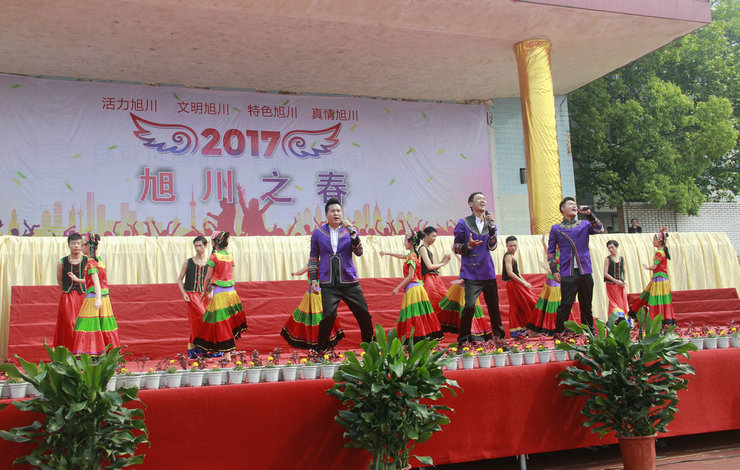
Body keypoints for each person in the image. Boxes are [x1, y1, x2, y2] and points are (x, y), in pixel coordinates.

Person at [309, 198, 373, 350]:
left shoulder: (350, 231)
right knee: (328, 316)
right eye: (332, 211)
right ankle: (322, 349)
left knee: (363, 314)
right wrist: (313, 279)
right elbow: (313, 257)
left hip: (350, 281)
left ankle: (371, 346)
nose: (336, 213)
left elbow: (359, 252)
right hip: (328, 283)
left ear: (342, 213)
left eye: (338, 211)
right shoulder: (318, 233)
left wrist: (353, 233)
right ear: (326, 214)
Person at [547, 197, 604, 334]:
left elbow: (600, 229)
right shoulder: (556, 229)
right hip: (568, 272)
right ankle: (560, 332)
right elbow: (551, 253)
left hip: (585, 270)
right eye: (570, 204)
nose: (574, 206)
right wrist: (554, 270)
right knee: (566, 304)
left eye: (575, 204)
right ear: (563, 209)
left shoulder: (584, 224)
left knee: (586, 304)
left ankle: (589, 332)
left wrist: (589, 214)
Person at [454, 192, 504, 343]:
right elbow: (456, 247)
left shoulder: (490, 223)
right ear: (471, 204)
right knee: (469, 307)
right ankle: (463, 340)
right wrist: (467, 246)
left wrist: (492, 230)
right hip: (471, 272)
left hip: (487, 271)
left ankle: (499, 339)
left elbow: (492, 247)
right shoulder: (463, 222)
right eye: (479, 199)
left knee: (494, 308)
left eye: (484, 198)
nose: (483, 201)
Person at [192, 231, 248, 358]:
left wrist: (204, 291)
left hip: (220, 293)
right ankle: (229, 352)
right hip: (232, 293)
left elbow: (207, 277)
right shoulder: (229, 256)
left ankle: (227, 355)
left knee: (222, 323)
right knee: (228, 321)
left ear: (214, 243)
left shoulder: (214, 257)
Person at [381, 231, 443, 342]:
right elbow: (401, 256)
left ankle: (416, 338)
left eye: (405, 241)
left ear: (410, 243)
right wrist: (387, 253)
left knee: (414, 314)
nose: (404, 243)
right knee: (419, 314)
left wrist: (397, 287)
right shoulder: (414, 254)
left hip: (413, 288)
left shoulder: (412, 257)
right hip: (417, 288)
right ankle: (421, 337)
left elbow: (410, 276)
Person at [70, 233, 120, 357]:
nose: (80, 248)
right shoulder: (100, 261)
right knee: (103, 325)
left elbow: (96, 282)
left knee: (88, 325)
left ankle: (90, 354)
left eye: (82, 245)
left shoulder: (91, 263)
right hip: (104, 297)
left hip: (94, 297)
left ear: (88, 246)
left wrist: (98, 299)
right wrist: (78, 280)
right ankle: (108, 354)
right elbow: (94, 281)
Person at [280, 263, 345, 349]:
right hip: (317, 291)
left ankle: (319, 339)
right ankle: (321, 339)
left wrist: (296, 273)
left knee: (316, 312)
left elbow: (303, 270)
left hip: (316, 290)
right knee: (317, 311)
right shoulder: (320, 263)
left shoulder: (317, 262)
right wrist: (296, 273)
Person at [629, 228, 676, 326]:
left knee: (655, 299)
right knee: (662, 299)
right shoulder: (663, 251)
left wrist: (647, 267)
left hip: (659, 279)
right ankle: (664, 319)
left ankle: (656, 320)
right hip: (663, 278)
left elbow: (654, 267)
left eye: (654, 240)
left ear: (659, 241)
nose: (653, 241)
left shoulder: (659, 252)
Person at [53, 233, 88, 350]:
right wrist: (67, 290)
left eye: (78, 243)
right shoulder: (62, 262)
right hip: (68, 296)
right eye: (73, 243)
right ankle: (70, 351)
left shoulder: (87, 260)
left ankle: (83, 351)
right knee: (69, 323)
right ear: (69, 245)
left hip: (84, 296)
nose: (76, 246)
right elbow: (60, 281)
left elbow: (92, 280)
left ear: (82, 244)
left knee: (84, 323)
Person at [176, 236, 209, 357]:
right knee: (201, 318)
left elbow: (214, 279)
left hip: (206, 295)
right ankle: (199, 349)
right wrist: (184, 293)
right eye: (196, 246)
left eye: (200, 245)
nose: (198, 248)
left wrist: (212, 291)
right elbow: (179, 280)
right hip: (192, 295)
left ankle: (205, 349)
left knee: (206, 321)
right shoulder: (188, 262)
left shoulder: (210, 262)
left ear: (206, 246)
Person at [502, 236, 538, 338]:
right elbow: (510, 273)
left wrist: (525, 282)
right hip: (513, 285)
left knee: (522, 306)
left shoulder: (513, 256)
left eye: (515, 245)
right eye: (511, 246)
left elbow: (517, 273)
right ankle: (529, 330)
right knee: (528, 304)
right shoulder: (508, 256)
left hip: (516, 284)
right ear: (506, 246)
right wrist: (523, 283)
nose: (513, 248)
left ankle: (524, 330)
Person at [526, 235, 561, 336]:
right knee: (545, 304)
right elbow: (548, 252)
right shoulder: (555, 253)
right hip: (549, 282)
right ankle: (541, 329)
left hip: (555, 282)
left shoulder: (563, 255)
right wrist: (543, 242)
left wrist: (546, 267)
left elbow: (557, 273)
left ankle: (552, 328)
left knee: (553, 305)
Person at [417, 226, 451, 314]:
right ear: (426, 236)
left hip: (432, 279)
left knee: (440, 299)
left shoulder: (426, 249)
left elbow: (431, 267)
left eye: (435, 236)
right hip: (428, 280)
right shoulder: (423, 248)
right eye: (433, 236)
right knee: (434, 301)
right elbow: (429, 267)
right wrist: (443, 263)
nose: (435, 238)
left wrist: (442, 262)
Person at [603, 240, 629, 319]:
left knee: (623, 301)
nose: (610, 250)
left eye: (612, 247)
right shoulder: (607, 259)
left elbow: (624, 271)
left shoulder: (621, 259)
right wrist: (616, 281)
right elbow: (605, 274)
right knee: (614, 302)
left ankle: (624, 319)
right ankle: (615, 319)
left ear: (616, 247)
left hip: (621, 284)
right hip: (612, 284)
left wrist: (625, 281)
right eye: (609, 248)